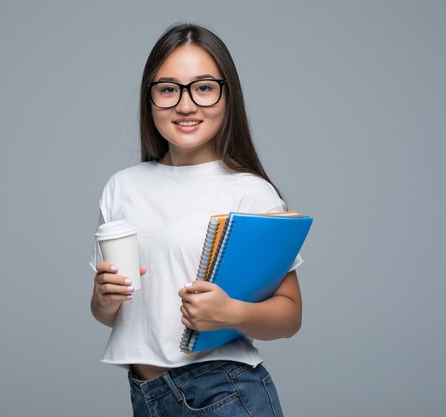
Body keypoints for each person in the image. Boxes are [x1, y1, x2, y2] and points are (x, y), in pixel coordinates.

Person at [90, 23, 304, 417]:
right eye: (169, 89)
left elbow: (290, 315)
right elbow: (110, 314)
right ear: (150, 98)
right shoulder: (122, 187)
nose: (185, 105)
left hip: (223, 393)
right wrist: (103, 299)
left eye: (204, 87)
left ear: (227, 96)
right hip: (146, 395)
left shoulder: (250, 193)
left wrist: (231, 313)